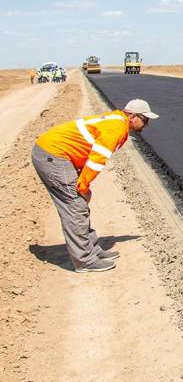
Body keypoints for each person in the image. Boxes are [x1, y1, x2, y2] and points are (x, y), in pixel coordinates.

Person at [31, 99, 158, 273]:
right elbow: (96, 161)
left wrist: (83, 186)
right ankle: (84, 261)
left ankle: (92, 251)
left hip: (58, 154)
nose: (147, 124)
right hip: (53, 156)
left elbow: (88, 153)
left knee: (79, 204)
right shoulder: (116, 128)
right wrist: (83, 188)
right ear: (133, 116)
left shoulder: (117, 121)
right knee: (75, 206)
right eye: (145, 119)